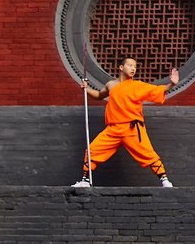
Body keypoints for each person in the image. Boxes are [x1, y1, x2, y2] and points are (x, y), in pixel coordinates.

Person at [75, 57, 177, 188]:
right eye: (130, 65)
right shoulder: (111, 85)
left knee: (148, 154)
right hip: (113, 129)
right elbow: (99, 96)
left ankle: (165, 180)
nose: (133, 68)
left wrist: (171, 84)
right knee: (92, 151)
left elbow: (157, 89)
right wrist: (86, 89)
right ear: (121, 67)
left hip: (132, 128)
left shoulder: (137, 86)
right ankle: (85, 180)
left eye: (135, 66)